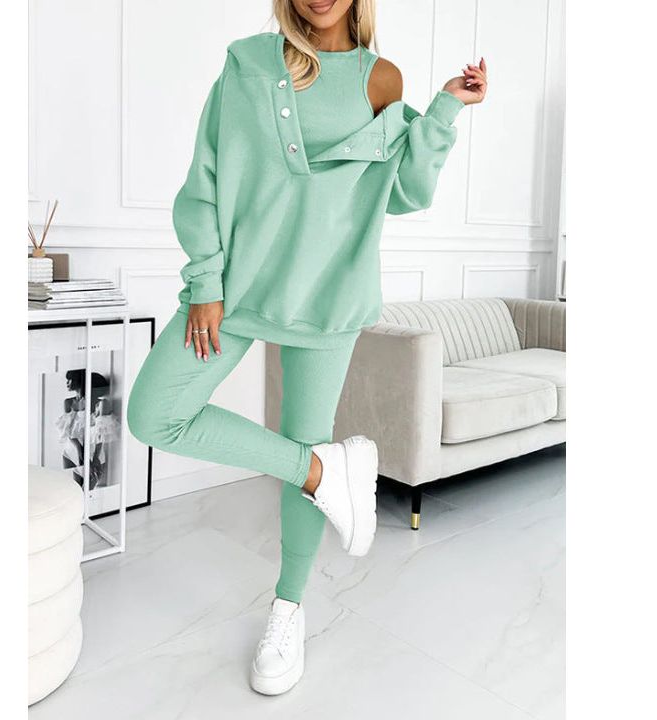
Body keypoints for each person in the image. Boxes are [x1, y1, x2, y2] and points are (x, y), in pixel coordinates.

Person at [128, 0, 487, 696]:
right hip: (235, 290)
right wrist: (205, 281)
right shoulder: (247, 63)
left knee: (306, 433)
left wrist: (445, 109)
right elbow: (205, 174)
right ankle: (322, 471)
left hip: (329, 296)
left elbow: (403, 192)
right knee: (156, 412)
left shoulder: (380, 78)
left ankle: (288, 610)